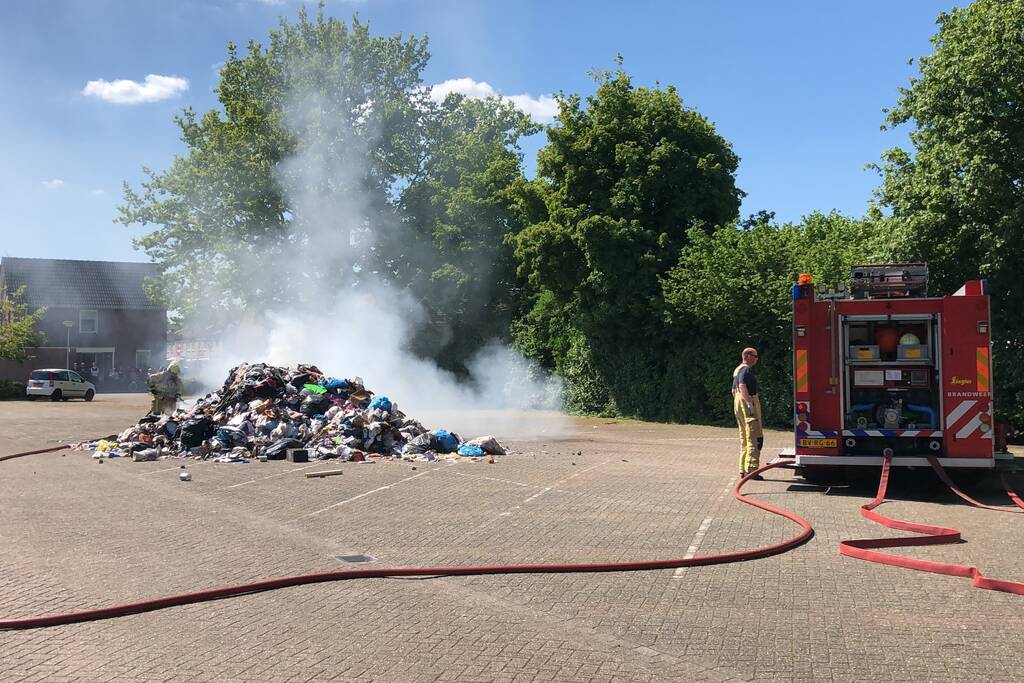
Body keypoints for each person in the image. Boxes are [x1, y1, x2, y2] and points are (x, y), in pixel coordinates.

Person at [732, 347, 764, 480]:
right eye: (755, 356)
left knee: (744, 437)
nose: (757, 359)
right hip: (747, 402)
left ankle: (743, 469)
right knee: (754, 437)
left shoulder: (737, 370)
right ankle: (751, 470)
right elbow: (742, 386)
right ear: (748, 356)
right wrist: (750, 404)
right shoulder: (746, 369)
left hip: (738, 403)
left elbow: (733, 391)